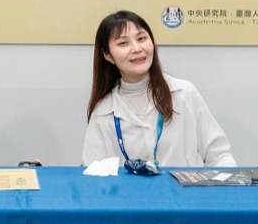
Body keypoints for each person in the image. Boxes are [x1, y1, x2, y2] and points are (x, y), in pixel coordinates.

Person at [82, 10, 236, 169]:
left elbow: (220, 155)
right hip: (128, 187)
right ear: (107, 55)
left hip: (186, 186)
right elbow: (93, 171)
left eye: (141, 39)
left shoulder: (184, 93)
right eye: (123, 43)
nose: (136, 48)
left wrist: (226, 182)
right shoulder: (103, 111)